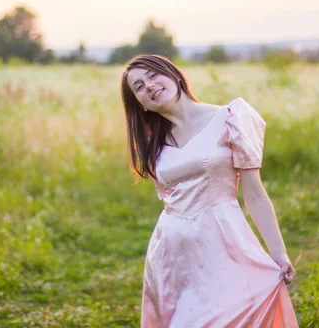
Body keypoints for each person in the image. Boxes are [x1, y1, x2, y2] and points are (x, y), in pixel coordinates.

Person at [121, 54, 299, 328]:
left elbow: (253, 193)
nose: (150, 85)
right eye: (140, 87)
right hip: (172, 257)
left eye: (154, 75)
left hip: (225, 246)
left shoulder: (230, 118)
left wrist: (279, 252)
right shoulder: (153, 144)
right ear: (141, 105)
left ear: (174, 74)